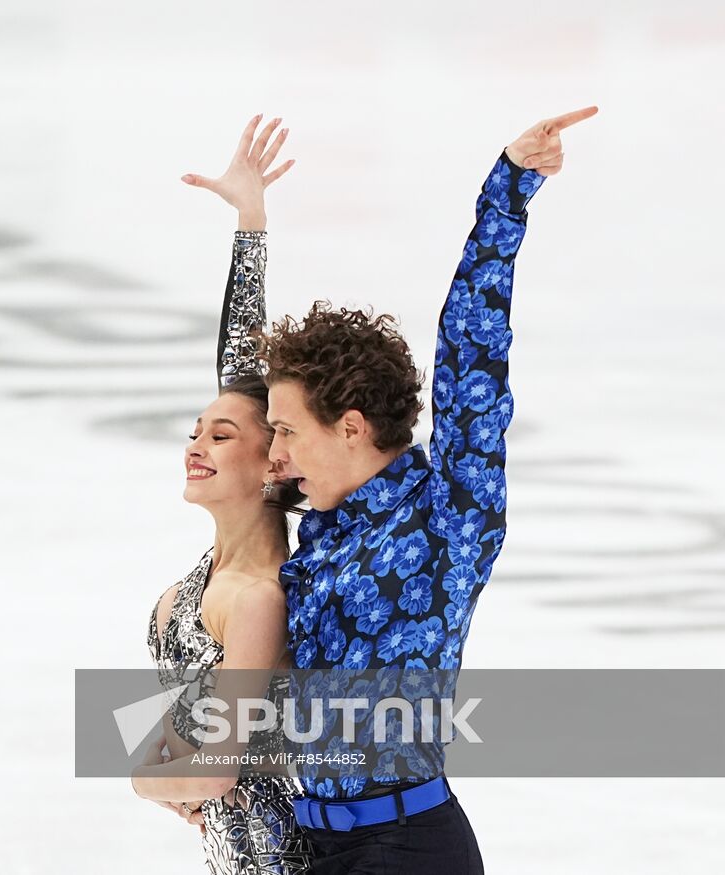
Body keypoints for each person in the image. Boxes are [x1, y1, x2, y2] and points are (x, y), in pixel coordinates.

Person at [253, 106, 598, 874]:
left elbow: (472, 352)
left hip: (408, 847)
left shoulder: (450, 514)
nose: (273, 451)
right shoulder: (319, 522)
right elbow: (233, 409)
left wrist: (506, 192)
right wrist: (249, 224)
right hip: (310, 845)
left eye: (288, 431)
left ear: (349, 426)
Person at [130, 114, 311, 875]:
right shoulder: (205, 583)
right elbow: (241, 366)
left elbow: (210, 770)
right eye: (195, 430)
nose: (196, 444)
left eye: (221, 437)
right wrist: (250, 221)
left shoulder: (260, 594)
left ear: (275, 463)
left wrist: (144, 769)